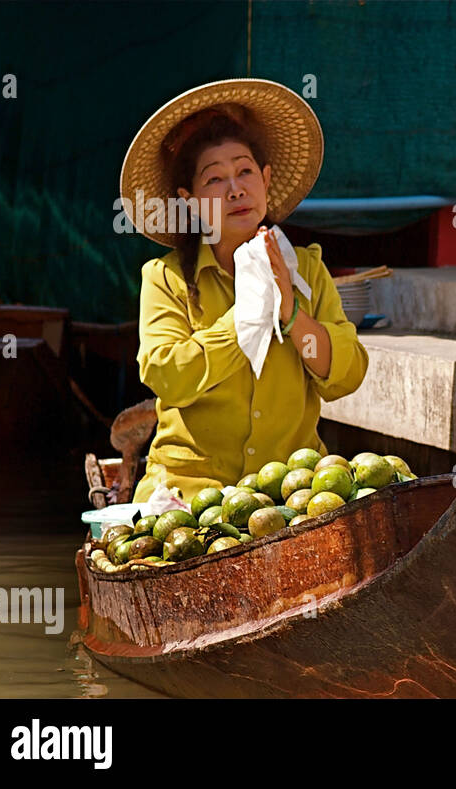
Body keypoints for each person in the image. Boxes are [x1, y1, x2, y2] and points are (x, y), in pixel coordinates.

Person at [120, 79, 369, 503]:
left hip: (293, 493)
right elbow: (168, 375)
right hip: (188, 497)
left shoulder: (306, 267)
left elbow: (344, 376)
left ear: (266, 180)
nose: (235, 189)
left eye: (245, 171)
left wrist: (291, 313)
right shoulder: (164, 279)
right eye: (214, 178)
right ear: (190, 200)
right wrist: (247, 316)